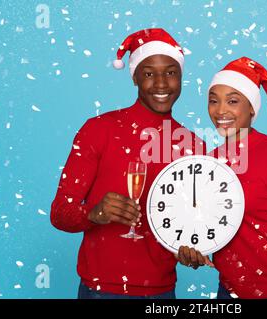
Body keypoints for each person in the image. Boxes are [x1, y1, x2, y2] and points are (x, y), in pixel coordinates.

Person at [50, 28, 204, 299]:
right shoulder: (98, 130)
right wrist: (93, 214)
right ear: (134, 77)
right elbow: (60, 213)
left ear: (181, 77)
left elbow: (194, 224)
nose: (160, 84)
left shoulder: (194, 147)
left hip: (161, 293)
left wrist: (192, 250)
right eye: (148, 73)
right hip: (101, 291)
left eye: (170, 72)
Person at [177, 57, 267, 299]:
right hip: (230, 291)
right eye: (213, 101)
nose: (221, 110)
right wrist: (192, 251)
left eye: (232, 101)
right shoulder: (208, 163)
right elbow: (204, 229)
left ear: (252, 108)